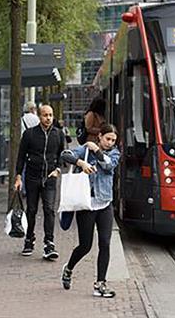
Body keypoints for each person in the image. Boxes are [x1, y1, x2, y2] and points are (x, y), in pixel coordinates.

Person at [60, 124, 120, 298]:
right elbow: (65, 154)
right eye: (107, 138)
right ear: (100, 136)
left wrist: (97, 152)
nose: (110, 143)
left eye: (113, 140)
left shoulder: (114, 153)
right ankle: (69, 268)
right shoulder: (85, 150)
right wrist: (81, 162)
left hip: (105, 203)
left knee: (105, 243)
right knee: (85, 246)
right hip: (86, 204)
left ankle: (100, 284)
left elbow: (108, 166)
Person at [14, 104, 65, 260]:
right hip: (32, 177)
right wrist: (18, 176)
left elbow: (63, 155)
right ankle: (29, 240)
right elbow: (21, 156)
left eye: (50, 115)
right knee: (32, 210)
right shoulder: (29, 134)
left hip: (50, 178)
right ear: (39, 116)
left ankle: (49, 243)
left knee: (49, 209)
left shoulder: (58, 134)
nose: (48, 118)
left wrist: (58, 169)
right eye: (45, 115)